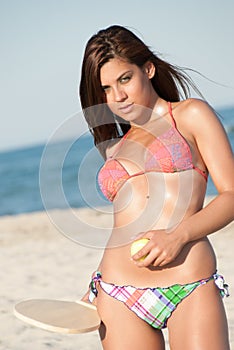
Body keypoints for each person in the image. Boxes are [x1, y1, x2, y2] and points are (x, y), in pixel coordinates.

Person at [79, 25, 233, 349]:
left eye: (124, 79)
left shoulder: (190, 115)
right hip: (117, 292)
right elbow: (126, 220)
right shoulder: (115, 147)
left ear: (147, 69)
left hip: (188, 282)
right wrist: (96, 281)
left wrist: (177, 236)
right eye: (105, 89)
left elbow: (231, 196)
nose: (118, 97)